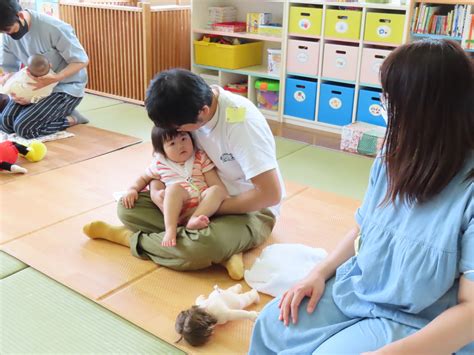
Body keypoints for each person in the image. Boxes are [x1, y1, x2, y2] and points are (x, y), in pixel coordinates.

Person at [250, 39, 474, 354]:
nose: (383, 105)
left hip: (422, 319)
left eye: (389, 98)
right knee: (273, 324)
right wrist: (317, 273)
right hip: (362, 288)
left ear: (422, 109)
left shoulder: (468, 190)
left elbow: (470, 314)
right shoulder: (391, 159)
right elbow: (363, 227)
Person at [83, 68, 285, 280]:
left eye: (180, 129)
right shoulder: (188, 107)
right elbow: (163, 162)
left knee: (202, 247)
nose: (178, 135)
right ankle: (222, 248)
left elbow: (270, 195)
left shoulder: (242, 125)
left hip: (247, 208)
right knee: (128, 208)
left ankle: (129, 238)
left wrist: (206, 211)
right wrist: (156, 190)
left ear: (204, 112)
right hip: (194, 195)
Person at [121, 126, 228, 247]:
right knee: (173, 189)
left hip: (202, 205)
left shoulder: (199, 157)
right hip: (178, 207)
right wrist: (132, 189)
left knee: (218, 190)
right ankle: (171, 229)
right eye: (172, 143)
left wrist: (218, 196)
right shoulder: (160, 163)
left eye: (183, 138)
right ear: (162, 151)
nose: (180, 145)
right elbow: (144, 178)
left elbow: (215, 182)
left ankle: (194, 219)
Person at [0, 0, 89, 139]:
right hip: (33, 88)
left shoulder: (54, 28)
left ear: (20, 16)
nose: (7, 34)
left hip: (65, 88)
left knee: (25, 129)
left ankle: (71, 118)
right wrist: (14, 89)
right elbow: (9, 69)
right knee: (5, 123)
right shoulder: (7, 35)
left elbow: (81, 60)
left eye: (8, 29)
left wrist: (56, 77)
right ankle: (45, 112)